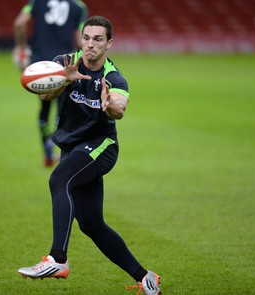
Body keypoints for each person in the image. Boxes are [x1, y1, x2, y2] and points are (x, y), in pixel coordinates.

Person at [17, 16, 161, 295]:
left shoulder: (113, 76)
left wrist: (109, 105)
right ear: (80, 39)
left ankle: (57, 258)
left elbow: (119, 107)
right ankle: (146, 278)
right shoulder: (65, 61)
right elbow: (45, 96)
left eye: (98, 39)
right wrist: (63, 81)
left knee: (59, 180)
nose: (90, 44)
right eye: (87, 38)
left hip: (100, 146)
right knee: (92, 224)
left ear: (109, 43)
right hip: (72, 147)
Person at [13, 0, 88, 167]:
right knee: (64, 108)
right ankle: (62, 151)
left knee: (44, 105)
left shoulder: (37, 2)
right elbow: (79, 38)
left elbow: (19, 23)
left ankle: (47, 153)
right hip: (64, 63)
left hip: (40, 64)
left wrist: (21, 48)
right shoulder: (78, 6)